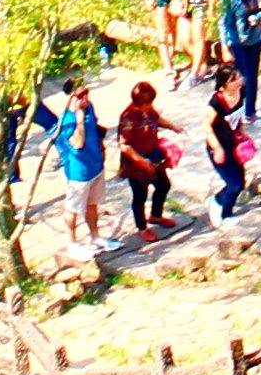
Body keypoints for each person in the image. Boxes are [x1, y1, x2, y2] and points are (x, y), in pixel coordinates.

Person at [51, 79, 111, 253]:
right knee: (73, 208)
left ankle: (95, 237)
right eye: (80, 95)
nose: (85, 98)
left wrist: (102, 150)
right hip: (78, 172)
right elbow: (78, 143)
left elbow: (96, 130)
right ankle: (72, 242)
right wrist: (79, 120)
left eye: (87, 93)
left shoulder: (89, 107)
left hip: (95, 166)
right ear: (71, 97)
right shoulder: (67, 120)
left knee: (92, 204)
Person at [114, 79, 175, 237]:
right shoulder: (128, 117)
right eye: (147, 103)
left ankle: (156, 215)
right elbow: (124, 145)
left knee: (163, 185)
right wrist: (141, 161)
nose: (150, 105)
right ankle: (142, 228)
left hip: (153, 154)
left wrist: (173, 126)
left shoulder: (148, 109)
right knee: (140, 195)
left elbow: (156, 118)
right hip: (135, 161)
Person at [205, 64, 255, 220]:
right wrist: (217, 148)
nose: (239, 81)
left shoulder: (242, 92)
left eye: (239, 77)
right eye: (233, 80)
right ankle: (225, 215)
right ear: (224, 85)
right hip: (219, 146)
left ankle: (218, 199)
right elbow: (206, 126)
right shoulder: (217, 102)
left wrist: (243, 134)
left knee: (240, 181)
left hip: (234, 143)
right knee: (234, 184)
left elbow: (237, 117)